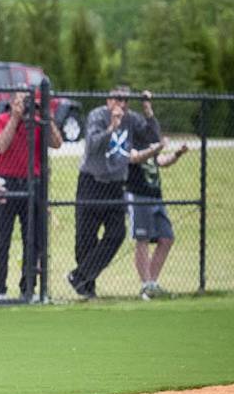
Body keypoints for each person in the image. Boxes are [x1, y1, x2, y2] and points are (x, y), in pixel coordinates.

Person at [69, 87, 159, 299]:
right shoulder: (97, 116)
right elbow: (92, 146)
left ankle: (79, 276)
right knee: (85, 239)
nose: (123, 104)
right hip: (91, 182)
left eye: (126, 100)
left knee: (117, 234)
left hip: (116, 185)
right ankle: (87, 289)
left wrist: (148, 111)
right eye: (118, 99)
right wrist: (112, 127)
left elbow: (153, 137)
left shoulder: (132, 118)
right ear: (109, 100)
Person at [0, 91, 62, 300]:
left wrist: (47, 118)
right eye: (21, 101)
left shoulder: (38, 123)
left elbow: (57, 143)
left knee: (32, 239)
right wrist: (15, 118)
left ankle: (28, 288)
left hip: (32, 184)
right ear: (12, 103)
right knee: (3, 238)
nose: (25, 105)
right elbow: (1, 145)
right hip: (7, 183)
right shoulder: (1, 120)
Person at [126, 118, 189, 299]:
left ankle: (152, 283)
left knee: (166, 237)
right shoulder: (131, 143)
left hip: (156, 197)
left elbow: (161, 161)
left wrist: (177, 154)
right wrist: (158, 146)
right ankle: (145, 285)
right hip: (139, 196)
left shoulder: (151, 146)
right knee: (142, 239)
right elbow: (136, 158)